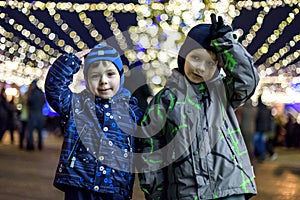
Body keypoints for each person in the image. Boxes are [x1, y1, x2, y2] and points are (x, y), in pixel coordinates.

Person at [137, 14, 259, 199]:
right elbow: (150, 147)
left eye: (210, 63)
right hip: (186, 191)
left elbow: (247, 79)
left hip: (228, 187)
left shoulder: (222, 92)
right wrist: (156, 193)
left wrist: (227, 45)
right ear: (184, 56)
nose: (201, 68)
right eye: (195, 58)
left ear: (219, 65)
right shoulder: (165, 99)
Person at [44, 44, 143, 200]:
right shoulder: (77, 106)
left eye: (110, 74)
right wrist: (72, 60)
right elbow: (54, 88)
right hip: (79, 184)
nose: (103, 81)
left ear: (120, 76)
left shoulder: (133, 113)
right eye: (95, 76)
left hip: (115, 187)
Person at [253, 96, 277, 162]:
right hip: (265, 129)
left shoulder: (258, 109)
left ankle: (262, 155)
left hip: (258, 128)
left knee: (256, 142)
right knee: (262, 142)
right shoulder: (267, 110)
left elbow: (256, 119)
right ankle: (262, 155)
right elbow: (270, 120)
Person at [26, 80, 46, 151]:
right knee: (40, 132)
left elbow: (29, 102)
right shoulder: (41, 93)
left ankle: (31, 145)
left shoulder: (32, 93)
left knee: (30, 131)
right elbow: (44, 102)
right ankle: (40, 145)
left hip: (33, 114)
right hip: (40, 114)